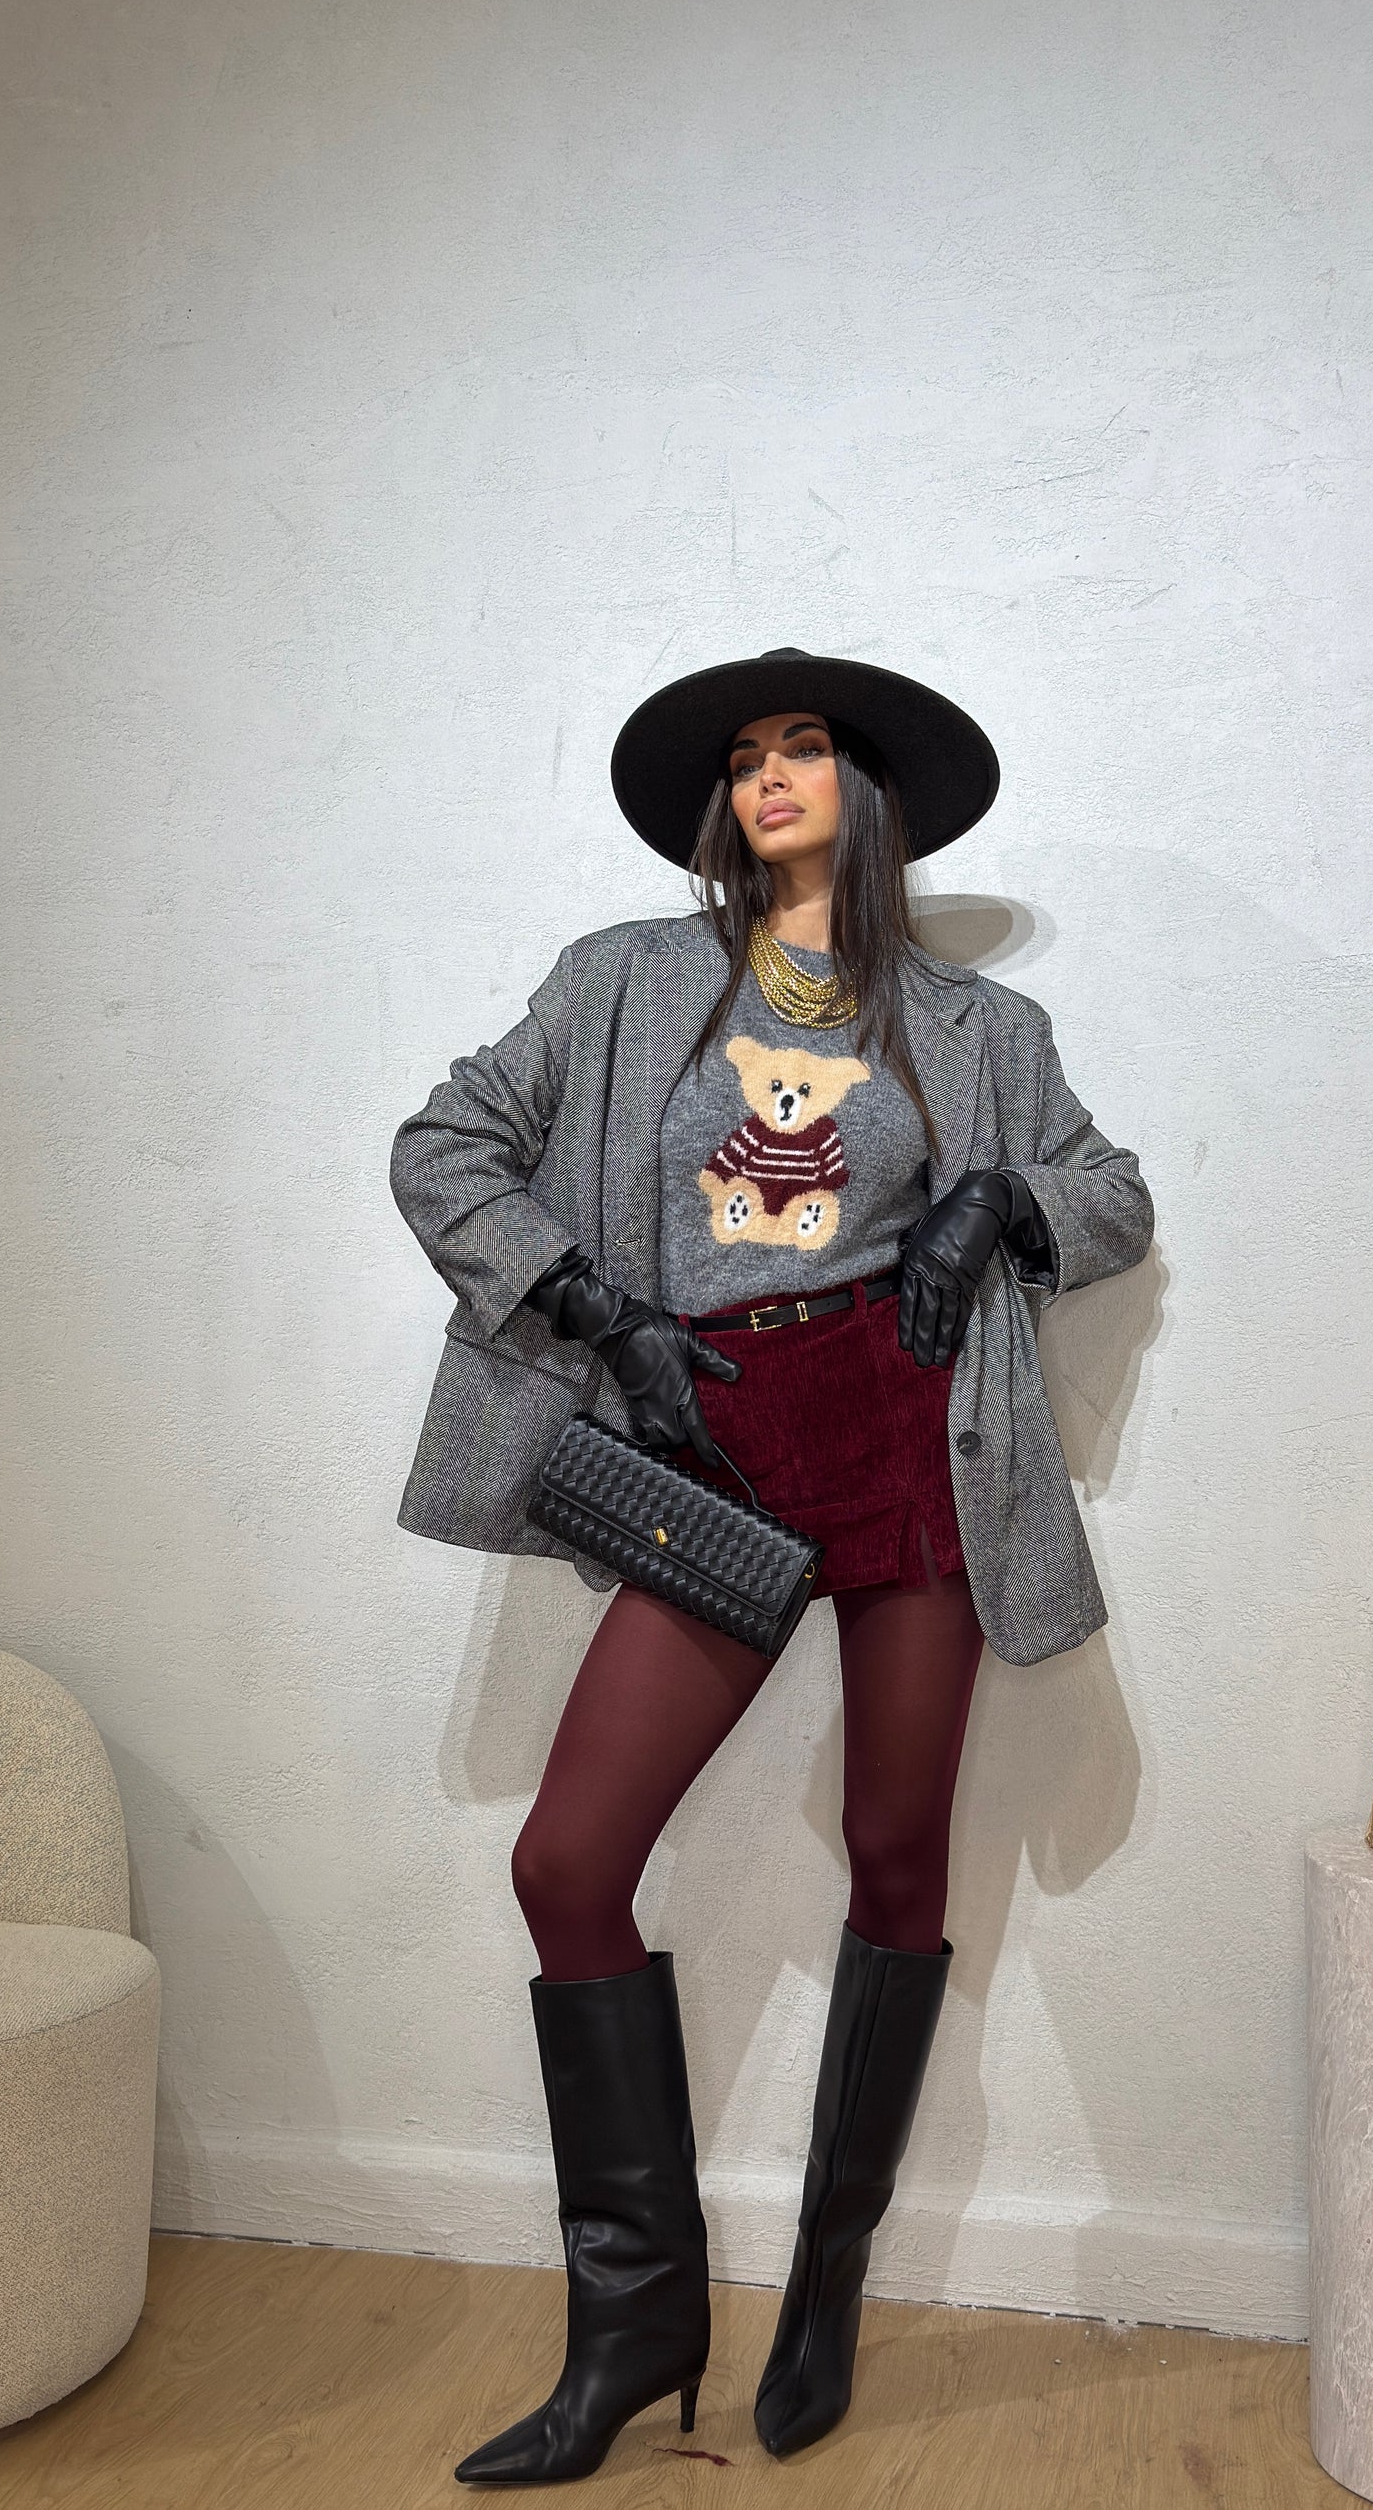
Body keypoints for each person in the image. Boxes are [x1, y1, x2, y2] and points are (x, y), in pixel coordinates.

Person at [389, 645, 1153, 2486]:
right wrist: (596, 1310)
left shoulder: (981, 1030)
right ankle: (636, 2319)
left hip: (911, 1444)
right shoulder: (627, 980)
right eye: (745, 757)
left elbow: (1116, 1191)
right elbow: (443, 1145)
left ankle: (826, 2282)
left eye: (803, 747)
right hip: (718, 1445)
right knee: (568, 1860)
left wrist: (1003, 1200)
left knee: (896, 1851)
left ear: (864, 790)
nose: (769, 777)